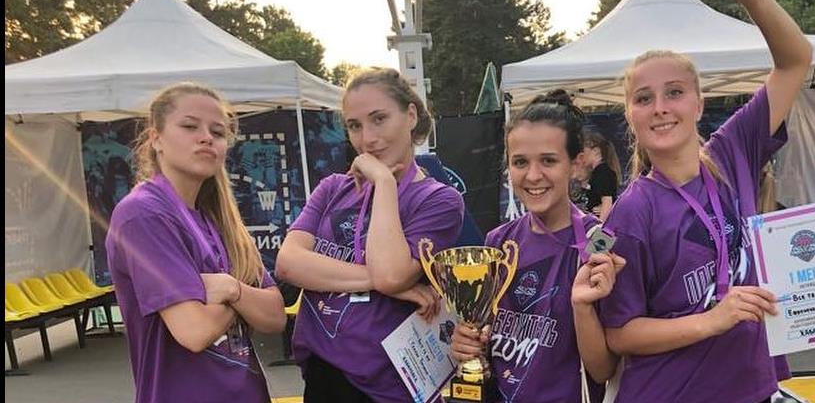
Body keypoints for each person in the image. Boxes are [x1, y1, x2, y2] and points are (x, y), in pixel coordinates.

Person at [598, 0, 813, 403]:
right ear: (631, 116)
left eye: (674, 92)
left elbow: (795, 61)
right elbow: (620, 333)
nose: (660, 107)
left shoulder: (732, 152)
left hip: (751, 387)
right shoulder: (633, 212)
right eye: (644, 98)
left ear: (698, 104)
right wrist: (713, 320)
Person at [275, 68, 465, 402]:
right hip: (323, 371)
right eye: (354, 125)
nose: (368, 139)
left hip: (388, 382)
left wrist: (385, 183)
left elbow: (391, 274)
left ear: (410, 115)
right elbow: (288, 264)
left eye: (379, 119)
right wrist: (382, 283)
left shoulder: (438, 200)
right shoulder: (333, 188)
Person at [106, 82, 287, 403]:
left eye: (218, 132)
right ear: (156, 138)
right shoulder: (144, 214)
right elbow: (195, 331)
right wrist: (243, 299)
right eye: (190, 126)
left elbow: (275, 316)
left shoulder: (218, 220)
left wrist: (231, 289)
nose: (206, 137)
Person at [450, 89, 625, 402]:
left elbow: (602, 371)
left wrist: (582, 306)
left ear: (575, 164)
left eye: (548, 160)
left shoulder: (599, 240)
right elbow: (487, 339)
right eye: (520, 162)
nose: (533, 175)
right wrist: (468, 343)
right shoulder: (497, 241)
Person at [582, 130, 622, 221]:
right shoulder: (596, 173)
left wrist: (600, 226)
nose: (581, 156)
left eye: (583, 151)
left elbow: (607, 202)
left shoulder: (603, 172)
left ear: (595, 151)